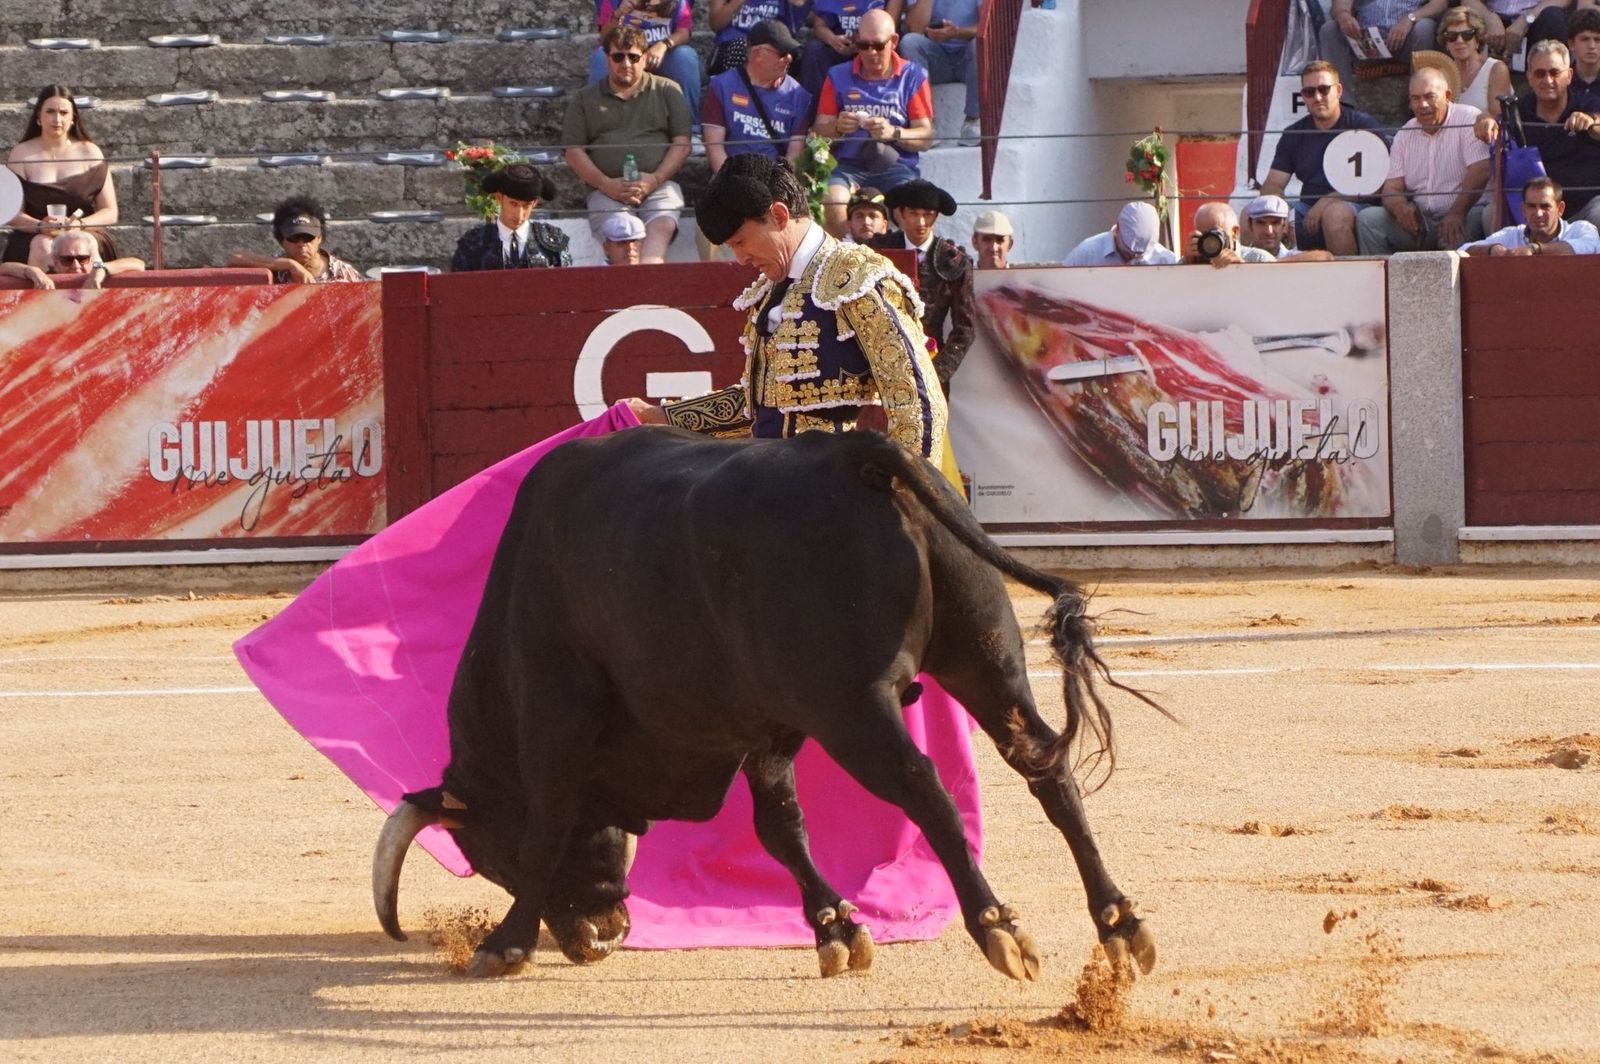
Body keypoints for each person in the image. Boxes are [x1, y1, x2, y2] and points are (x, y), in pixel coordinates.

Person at [627, 152, 946, 462]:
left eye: (740, 242)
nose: (740, 259)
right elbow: (755, 404)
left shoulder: (858, 277)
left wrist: (904, 501)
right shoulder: (772, 290)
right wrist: (660, 416)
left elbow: (917, 401)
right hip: (770, 483)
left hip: (833, 492)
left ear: (779, 216)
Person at [564, 23, 693, 264]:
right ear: (607, 58)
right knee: (621, 234)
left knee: (662, 225)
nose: (626, 63)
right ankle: (629, 297)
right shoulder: (584, 99)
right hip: (606, 188)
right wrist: (606, 184)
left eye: (634, 57)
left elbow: (682, 143)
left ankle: (649, 285)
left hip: (658, 184)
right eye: (618, 56)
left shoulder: (668, 91)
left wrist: (654, 179)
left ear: (645, 57)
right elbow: (573, 151)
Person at [812, 8, 935, 237]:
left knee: (913, 207)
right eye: (863, 45)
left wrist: (893, 132)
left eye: (878, 45)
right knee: (832, 201)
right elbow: (819, 131)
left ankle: (908, 267)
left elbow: (926, 137)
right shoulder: (837, 75)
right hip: (848, 166)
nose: (870, 52)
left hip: (897, 167)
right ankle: (844, 265)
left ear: (894, 41)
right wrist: (838, 127)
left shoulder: (913, 76)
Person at [1356, 67, 1490, 253]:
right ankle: (1380, 281)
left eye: (1429, 96)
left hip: (1466, 212)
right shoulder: (1404, 133)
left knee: (1454, 236)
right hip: (1422, 221)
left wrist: (1457, 213)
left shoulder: (1468, 118)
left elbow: (1481, 170)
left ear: (1447, 95)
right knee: (1368, 219)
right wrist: (1401, 208)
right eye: (1416, 98)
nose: (1423, 105)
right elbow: (1391, 188)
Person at [1260, 61, 1387, 256]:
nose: (1317, 97)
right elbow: (1273, 185)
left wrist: (1328, 201)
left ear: (1339, 90)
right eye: (1309, 92)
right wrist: (1278, 214)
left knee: (1334, 215)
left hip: (1359, 205)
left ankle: (1348, 283)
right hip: (1307, 208)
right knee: (1253, 216)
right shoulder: (1294, 134)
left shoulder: (1363, 125)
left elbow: (1378, 183)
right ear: (1303, 96)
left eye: (1323, 89)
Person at [1473, 40, 1600, 227]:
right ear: (1529, 77)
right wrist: (1483, 119)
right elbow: (1494, 121)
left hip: (1584, 210)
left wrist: (1591, 122)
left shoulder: (1588, 103)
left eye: (1555, 73)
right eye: (1540, 73)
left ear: (1569, 75)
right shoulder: (1519, 110)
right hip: (1532, 215)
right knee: (1489, 214)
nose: (1548, 80)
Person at [869, 179, 974, 393]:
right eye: (914, 213)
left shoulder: (953, 260)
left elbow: (965, 327)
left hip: (931, 359)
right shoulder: (877, 251)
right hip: (882, 362)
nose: (921, 222)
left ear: (936, 216)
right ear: (902, 214)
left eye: (927, 214)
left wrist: (938, 371)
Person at [4, 84, 119, 269]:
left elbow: (110, 212)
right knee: (43, 246)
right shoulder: (21, 154)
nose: (57, 119)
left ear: (73, 118)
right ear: (39, 116)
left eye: (64, 112)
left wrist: (79, 225)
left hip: (84, 232)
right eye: (50, 111)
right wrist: (40, 225)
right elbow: (13, 213)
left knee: (81, 247)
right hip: (34, 235)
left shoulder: (91, 152)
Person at [702, 19, 813, 171]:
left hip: (775, 181)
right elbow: (714, 147)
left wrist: (776, 186)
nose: (789, 58)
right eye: (782, 53)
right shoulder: (721, 86)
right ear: (758, 53)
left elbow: (794, 155)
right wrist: (731, 183)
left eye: (791, 52)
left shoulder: (798, 96)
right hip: (731, 177)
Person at [588, 0, 703, 134]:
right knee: (601, 57)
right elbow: (605, 38)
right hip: (627, 55)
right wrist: (618, 14)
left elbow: (684, 32)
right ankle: (596, 131)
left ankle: (690, 131)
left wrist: (663, 45)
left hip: (661, 55)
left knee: (685, 57)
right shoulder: (614, 2)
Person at [1319, 0, 1450, 103]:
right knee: (1329, 30)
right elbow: (1340, 5)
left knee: (1425, 28)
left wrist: (1411, 18)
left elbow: (1439, 3)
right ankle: (1341, 104)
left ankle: (1419, 100)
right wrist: (1344, 16)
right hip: (1364, 41)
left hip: (1406, 41)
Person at [449, 164, 572, 271]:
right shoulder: (473, 243)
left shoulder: (554, 240)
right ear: (499, 197)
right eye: (513, 204)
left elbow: (568, 288)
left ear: (535, 203)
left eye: (526, 205)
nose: (519, 214)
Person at [899, 0, 981, 146]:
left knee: (979, 44)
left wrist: (956, 32)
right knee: (909, 42)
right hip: (937, 59)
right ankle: (926, 124)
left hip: (968, 59)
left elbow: (987, 27)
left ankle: (973, 120)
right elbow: (915, 28)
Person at [228, 196, 363, 283]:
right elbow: (235, 259)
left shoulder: (345, 274)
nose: (301, 244)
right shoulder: (276, 266)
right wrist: (290, 265)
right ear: (281, 240)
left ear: (319, 238)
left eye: (308, 237)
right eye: (293, 238)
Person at [1459, 175, 1600, 252]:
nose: (1538, 213)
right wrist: (1492, 250)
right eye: (1531, 206)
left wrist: (1535, 249)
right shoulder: (1511, 235)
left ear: (1560, 209)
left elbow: (1590, 246)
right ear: (1523, 209)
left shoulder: (1580, 229)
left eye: (1545, 206)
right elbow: (1463, 250)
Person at [796, 0, 906, 98]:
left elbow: (888, 29)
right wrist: (833, 39)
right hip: (840, 48)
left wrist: (864, 44)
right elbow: (819, 26)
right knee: (814, 49)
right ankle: (812, 110)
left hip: (875, 48)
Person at [0, 229, 145, 289]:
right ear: (55, 262)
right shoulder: (46, 279)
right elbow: (3, 268)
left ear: (91, 259)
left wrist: (102, 269)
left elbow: (138, 264)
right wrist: (31, 271)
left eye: (82, 259)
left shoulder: (100, 274)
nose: (76, 266)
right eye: (67, 260)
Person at [1439, 7, 1511, 117]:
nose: (1459, 41)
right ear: (1446, 43)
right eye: (1452, 36)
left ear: (1477, 40)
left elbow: (1498, 118)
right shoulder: (1441, 75)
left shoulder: (1496, 69)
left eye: (1467, 35)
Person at [1062, 200, 1180, 266]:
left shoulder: (1166, 260)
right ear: (1117, 229)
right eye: (1127, 253)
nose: (1133, 259)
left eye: (1140, 256)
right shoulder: (1087, 253)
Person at [707, 0, 802, 76]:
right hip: (733, 47)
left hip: (769, 46)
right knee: (743, 48)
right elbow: (716, 23)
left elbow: (790, 30)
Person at [1239, 194, 1335, 260]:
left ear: (1284, 226)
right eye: (1261, 223)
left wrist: (1272, 262)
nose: (1269, 231)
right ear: (1250, 225)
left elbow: (1327, 257)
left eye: (1275, 223)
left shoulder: (1294, 257)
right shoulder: (1239, 256)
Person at [1182, 202, 1278, 266]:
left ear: (1235, 232)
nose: (1210, 240)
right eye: (1204, 235)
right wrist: (1186, 265)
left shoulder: (1259, 259)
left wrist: (1242, 269)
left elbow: (1275, 291)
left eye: (1216, 234)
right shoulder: (1192, 260)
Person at [1567, 5, 1600, 103]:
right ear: (1571, 44)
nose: (1592, 46)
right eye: (1584, 39)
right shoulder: (1561, 80)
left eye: (1598, 40)